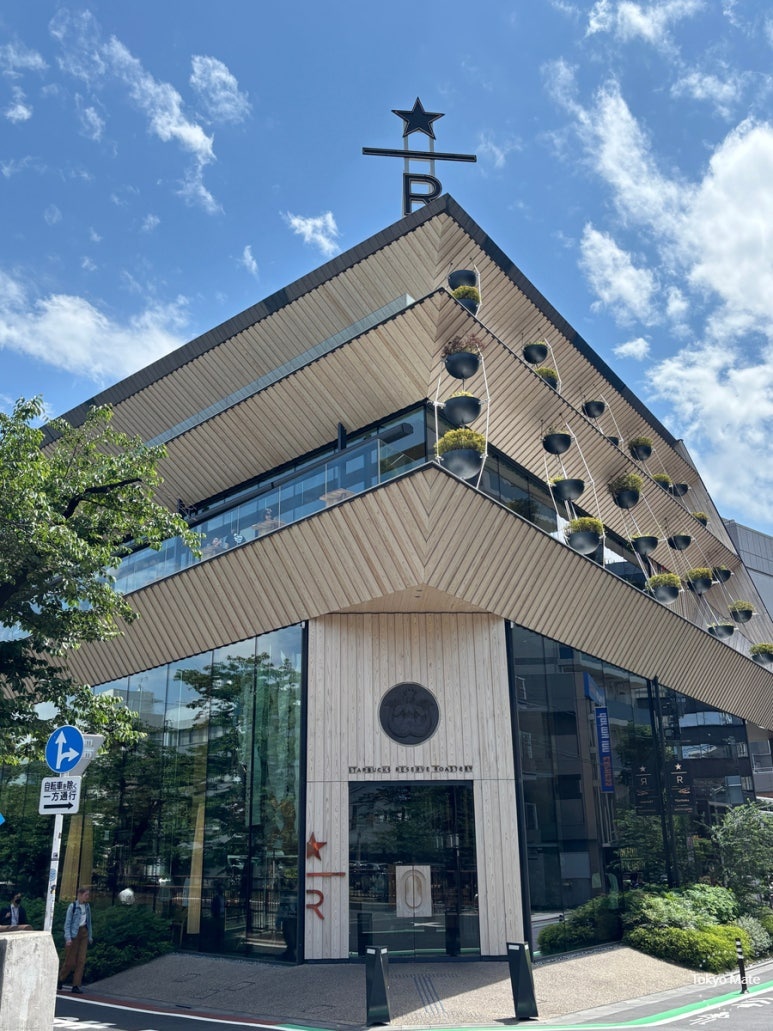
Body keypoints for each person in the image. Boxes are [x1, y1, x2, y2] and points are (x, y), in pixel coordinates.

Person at [58, 886, 93, 994]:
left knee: (81, 960)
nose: (87, 897)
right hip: (74, 934)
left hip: (84, 933)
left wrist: (90, 935)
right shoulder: (72, 907)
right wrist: (68, 938)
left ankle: (76, 985)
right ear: (80, 895)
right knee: (70, 961)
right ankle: (61, 978)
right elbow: (67, 924)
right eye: (86, 895)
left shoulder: (87, 907)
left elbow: (89, 922)